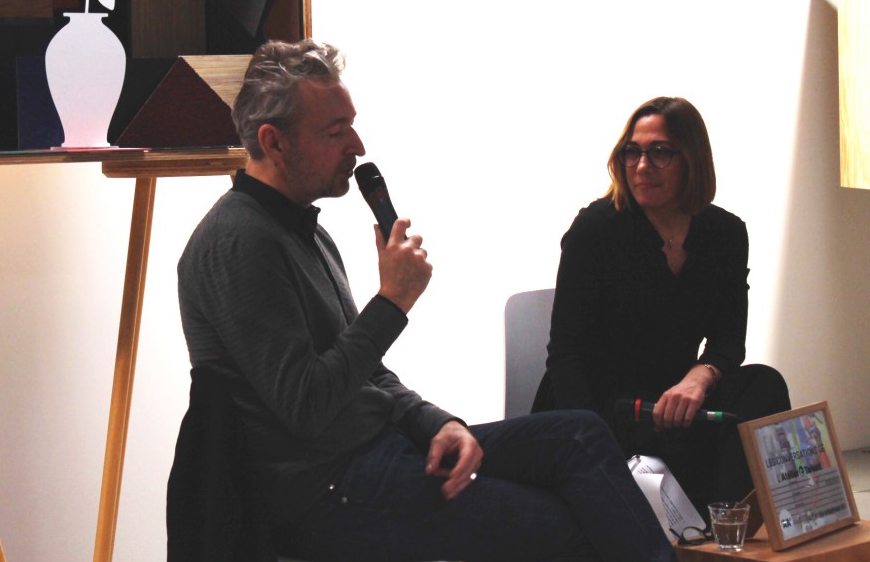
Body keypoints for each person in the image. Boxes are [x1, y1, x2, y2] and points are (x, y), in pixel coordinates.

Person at [174, 39, 675, 562]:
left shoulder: (308, 234)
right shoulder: (236, 244)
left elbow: (370, 376)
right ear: (274, 143)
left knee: (581, 436)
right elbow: (307, 406)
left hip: (376, 450)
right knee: (558, 524)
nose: (358, 145)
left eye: (352, 123)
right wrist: (391, 303)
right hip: (324, 491)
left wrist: (438, 423)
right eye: (335, 131)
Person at [532, 96, 791, 523]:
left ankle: (729, 531)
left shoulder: (725, 233)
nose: (641, 165)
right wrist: (595, 441)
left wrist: (698, 378)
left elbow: (728, 341)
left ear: (692, 160)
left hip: (674, 403)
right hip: (602, 408)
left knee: (764, 384)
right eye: (632, 151)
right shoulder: (596, 229)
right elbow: (566, 355)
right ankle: (700, 525)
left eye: (660, 152)